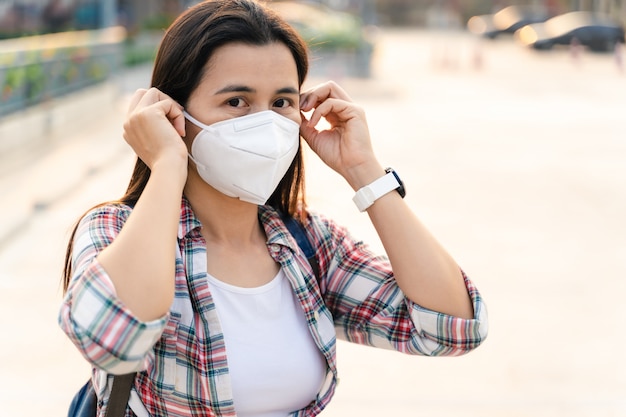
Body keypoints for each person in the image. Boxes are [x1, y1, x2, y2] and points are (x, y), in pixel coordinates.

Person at [59, 1, 488, 416]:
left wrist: (364, 172)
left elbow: (453, 327)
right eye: (237, 102)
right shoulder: (115, 229)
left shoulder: (307, 242)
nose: (264, 123)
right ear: (171, 112)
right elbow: (110, 340)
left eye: (282, 102)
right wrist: (167, 164)